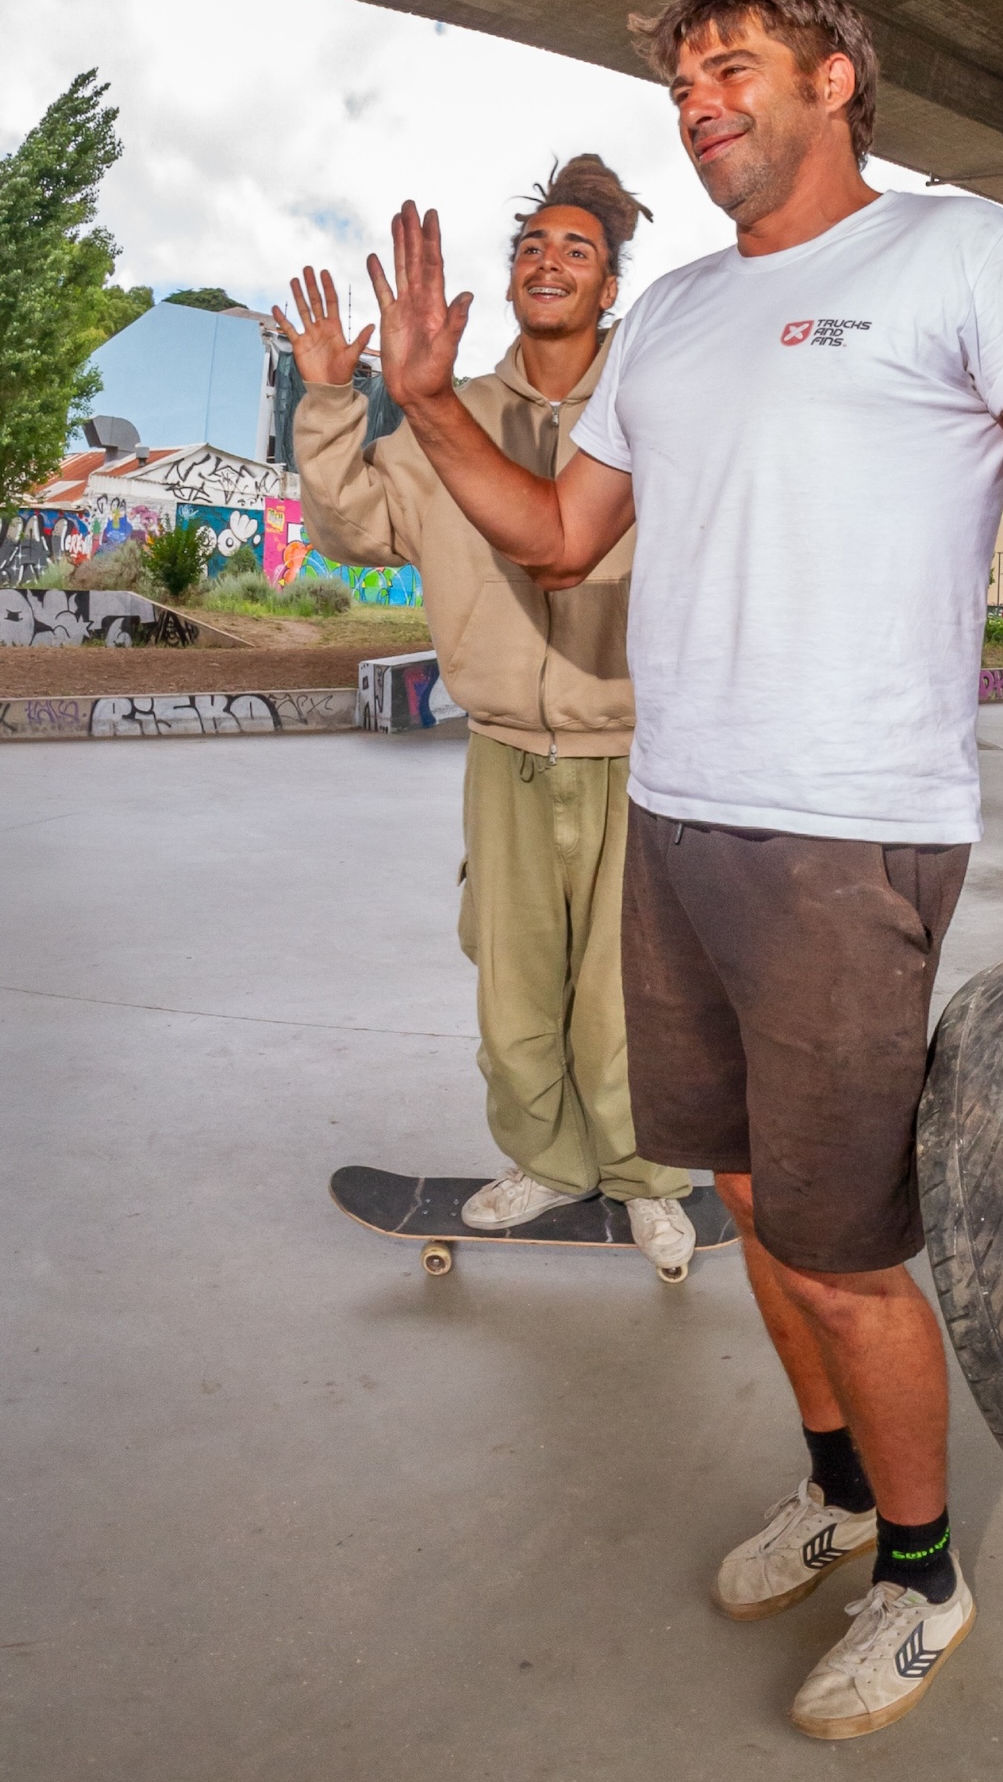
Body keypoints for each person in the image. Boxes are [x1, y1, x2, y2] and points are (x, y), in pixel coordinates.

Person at [359, 0, 1003, 1738]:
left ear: (836, 79)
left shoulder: (960, 254)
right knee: (758, 1196)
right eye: (682, 80)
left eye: (733, 67)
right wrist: (428, 404)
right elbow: (558, 535)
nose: (698, 102)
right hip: (677, 817)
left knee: (847, 1241)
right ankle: (840, 1479)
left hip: (855, 836)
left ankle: (924, 1568)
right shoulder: (675, 314)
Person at [272, 157, 699, 1282]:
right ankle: (549, 1164)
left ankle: (650, 1180)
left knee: (627, 1001)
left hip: (636, 755)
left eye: (578, 249)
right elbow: (352, 526)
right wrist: (330, 398)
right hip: (505, 751)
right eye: (531, 247)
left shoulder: (657, 418)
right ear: (508, 282)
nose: (548, 260)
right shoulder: (443, 422)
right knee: (512, 992)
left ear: (611, 289)